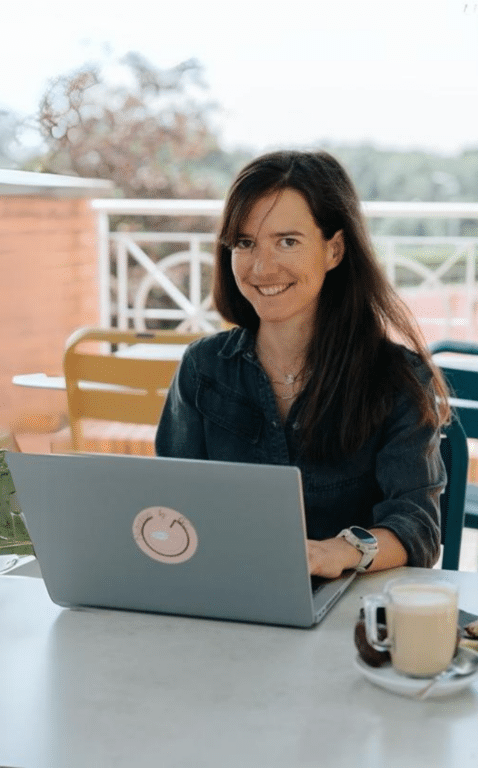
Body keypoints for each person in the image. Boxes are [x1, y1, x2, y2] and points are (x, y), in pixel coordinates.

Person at [155, 149, 451, 578]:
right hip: (223, 593)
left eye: (287, 242)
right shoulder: (203, 368)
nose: (262, 267)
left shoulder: (396, 379)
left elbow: (417, 527)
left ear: (335, 250)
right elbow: (169, 507)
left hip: (348, 603)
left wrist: (339, 552)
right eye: (245, 243)